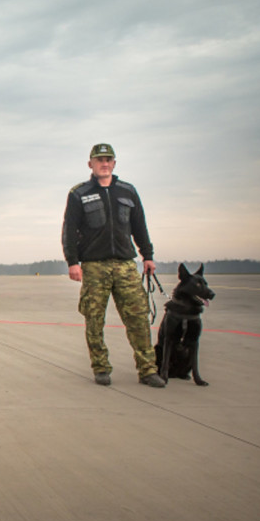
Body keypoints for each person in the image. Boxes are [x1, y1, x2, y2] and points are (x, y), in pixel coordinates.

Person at [62, 143, 166, 388]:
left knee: (138, 318)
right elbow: (69, 230)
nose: (104, 163)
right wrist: (73, 262)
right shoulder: (79, 193)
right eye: (99, 160)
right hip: (94, 266)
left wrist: (147, 256)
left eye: (108, 159)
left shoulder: (127, 192)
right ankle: (100, 367)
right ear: (91, 164)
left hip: (125, 265)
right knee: (94, 318)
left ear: (114, 163)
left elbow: (139, 225)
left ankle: (148, 370)